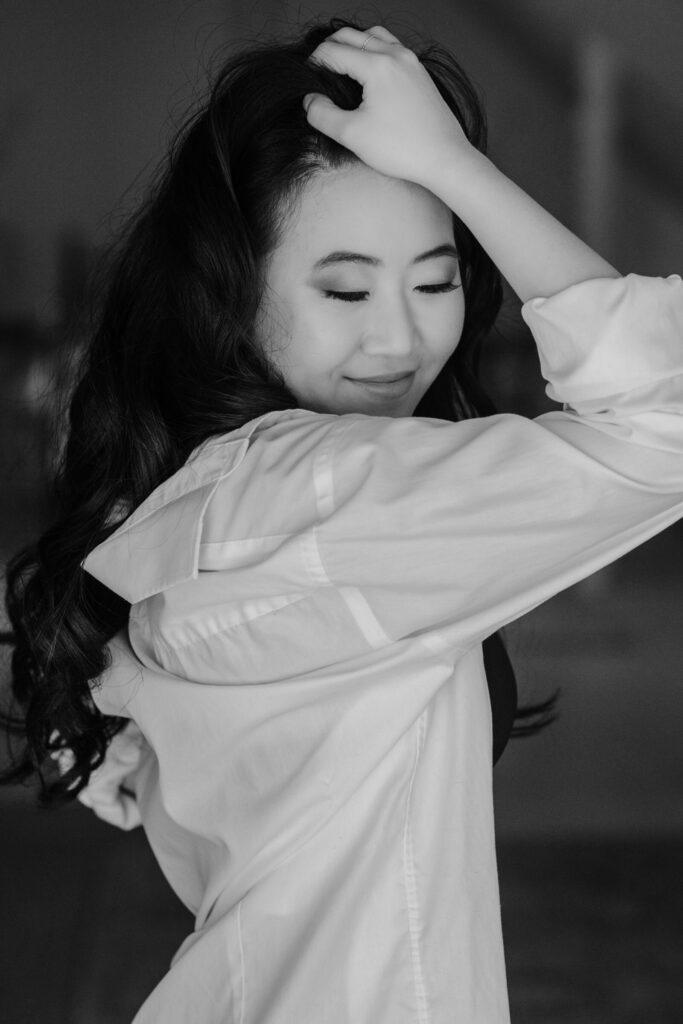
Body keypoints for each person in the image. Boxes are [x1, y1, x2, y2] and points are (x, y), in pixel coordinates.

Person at [2, 15, 682, 1024]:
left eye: (436, 279)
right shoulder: (326, 496)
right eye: (345, 286)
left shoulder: (178, 501)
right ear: (230, 296)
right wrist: (452, 168)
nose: (400, 336)